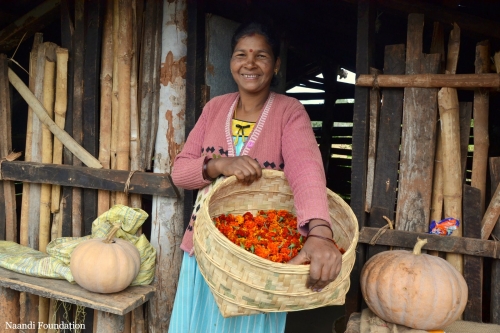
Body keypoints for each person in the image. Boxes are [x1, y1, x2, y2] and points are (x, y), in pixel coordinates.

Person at [168, 18, 342, 333]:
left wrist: (319, 232)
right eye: (241, 54)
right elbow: (180, 171)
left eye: (261, 55)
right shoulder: (214, 109)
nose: (250, 63)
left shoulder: (289, 112)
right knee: (197, 322)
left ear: (275, 64)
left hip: (257, 251)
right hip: (207, 244)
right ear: (232, 61)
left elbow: (307, 171)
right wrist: (220, 165)